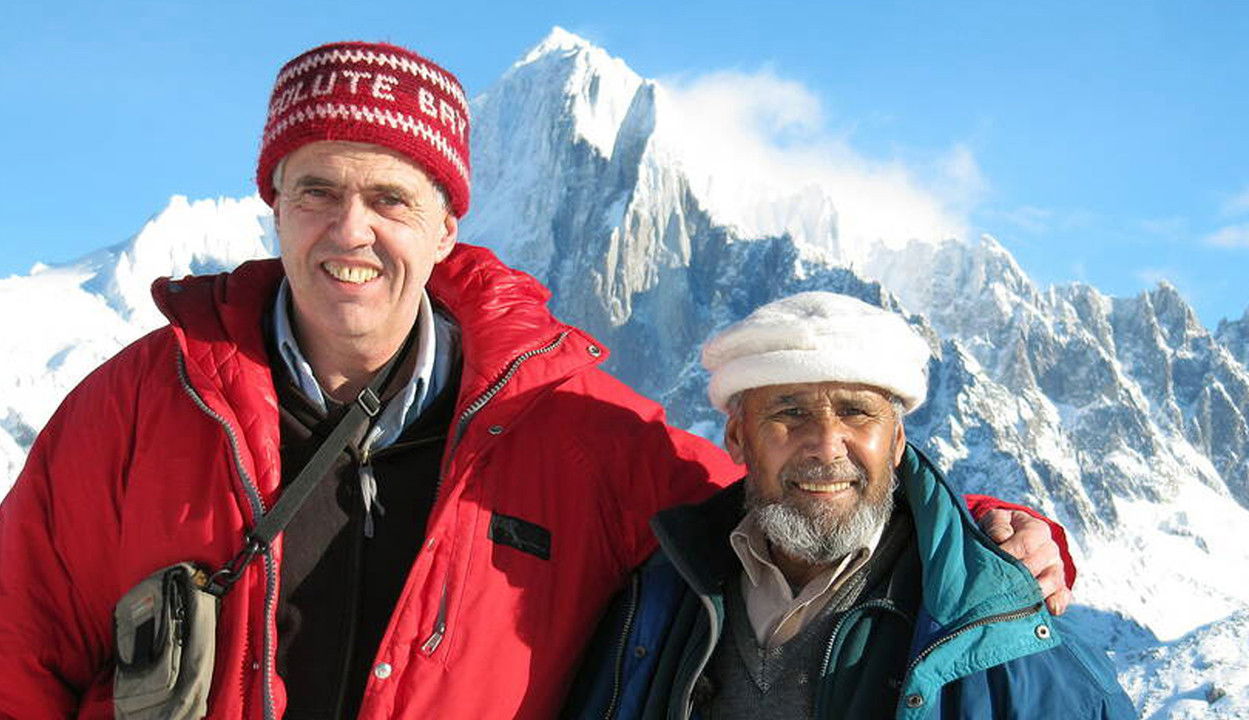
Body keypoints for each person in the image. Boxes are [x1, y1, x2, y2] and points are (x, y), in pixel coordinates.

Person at [0, 43, 1073, 719]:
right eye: (314, 191)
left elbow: (775, 493)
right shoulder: (144, 402)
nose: (349, 231)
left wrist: (985, 529)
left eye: (389, 197)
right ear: (271, 206)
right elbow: (19, 640)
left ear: (446, 223)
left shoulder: (564, 425)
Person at [566, 292, 1135, 719]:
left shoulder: (1000, 640)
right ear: (737, 438)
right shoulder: (658, 602)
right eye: (789, 412)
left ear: (897, 440)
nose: (825, 445)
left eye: (856, 412)